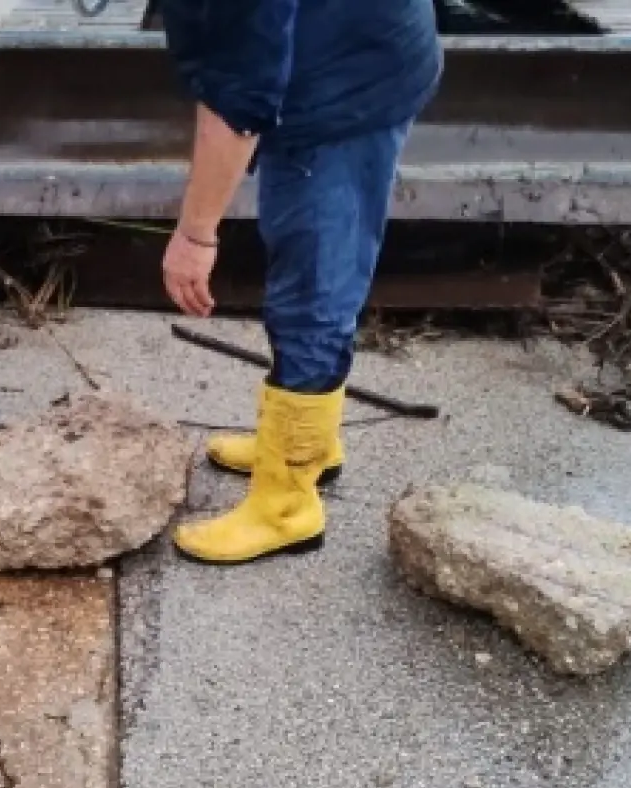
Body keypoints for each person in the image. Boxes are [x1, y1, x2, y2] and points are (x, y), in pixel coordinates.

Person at [157, 0, 442, 565]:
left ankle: (287, 506)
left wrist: (195, 235)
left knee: (312, 292)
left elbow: (237, 96)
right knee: (312, 266)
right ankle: (304, 445)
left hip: (341, 91)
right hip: (356, 44)